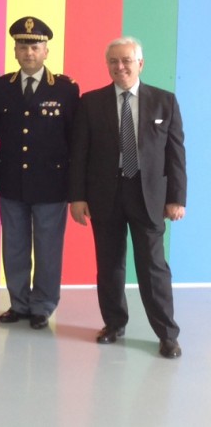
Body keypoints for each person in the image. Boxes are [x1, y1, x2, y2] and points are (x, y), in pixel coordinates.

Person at [68, 37, 186, 359]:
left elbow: (175, 155)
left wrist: (177, 198)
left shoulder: (164, 101)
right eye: (113, 61)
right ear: (107, 65)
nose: (120, 67)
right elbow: (80, 153)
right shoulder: (91, 102)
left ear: (140, 64)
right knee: (109, 265)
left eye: (126, 61)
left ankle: (167, 334)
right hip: (104, 194)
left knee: (153, 268)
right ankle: (114, 324)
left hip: (148, 197)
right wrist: (77, 197)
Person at [0, 16, 78, 329]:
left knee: (48, 249)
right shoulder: (1, 87)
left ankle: (42, 305)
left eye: (35, 46)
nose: (29, 52)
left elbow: (74, 138)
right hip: (11, 180)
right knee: (14, 247)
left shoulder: (66, 89)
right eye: (23, 46)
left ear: (46, 51)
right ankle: (19, 303)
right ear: (15, 50)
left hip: (51, 183)